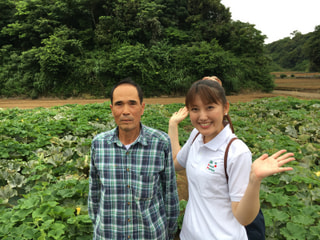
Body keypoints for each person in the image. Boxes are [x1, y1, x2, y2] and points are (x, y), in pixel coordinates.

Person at [168, 79, 295, 240]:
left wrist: (254, 180)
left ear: (225, 107)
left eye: (210, 107)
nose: (202, 116)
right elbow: (175, 163)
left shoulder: (236, 152)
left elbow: (243, 218)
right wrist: (173, 125)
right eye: (195, 109)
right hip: (189, 235)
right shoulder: (196, 137)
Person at [88, 79, 180, 239]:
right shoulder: (99, 144)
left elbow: (169, 192)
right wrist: (98, 225)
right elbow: (94, 192)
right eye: (119, 104)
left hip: (150, 234)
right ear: (111, 109)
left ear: (142, 107)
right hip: (109, 233)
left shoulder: (160, 143)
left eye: (132, 103)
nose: (125, 111)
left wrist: (170, 230)